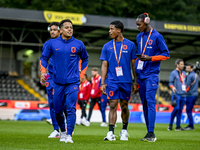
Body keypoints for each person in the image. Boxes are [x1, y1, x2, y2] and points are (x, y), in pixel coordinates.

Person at [40, 19, 89, 143]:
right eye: (67, 27)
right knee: (57, 109)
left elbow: (85, 59)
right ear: (60, 30)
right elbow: (44, 58)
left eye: (71, 27)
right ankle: (62, 132)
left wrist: (82, 74)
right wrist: (43, 72)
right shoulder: (52, 44)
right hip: (57, 82)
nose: (70, 29)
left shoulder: (79, 44)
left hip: (73, 82)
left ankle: (69, 136)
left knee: (71, 108)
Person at [100, 20, 138, 141]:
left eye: (112, 29)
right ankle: (110, 132)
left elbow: (134, 66)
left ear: (119, 30)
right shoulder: (107, 46)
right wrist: (102, 82)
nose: (109, 31)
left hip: (126, 81)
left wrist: (135, 81)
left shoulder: (130, 45)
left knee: (124, 106)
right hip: (112, 80)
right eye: (109, 29)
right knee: (112, 105)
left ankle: (124, 131)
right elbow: (104, 65)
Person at [135, 13, 170, 142]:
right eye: (137, 25)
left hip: (152, 75)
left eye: (139, 24)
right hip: (141, 75)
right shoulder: (139, 36)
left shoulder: (157, 36)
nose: (138, 27)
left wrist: (151, 58)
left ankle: (151, 133)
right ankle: (148, 132)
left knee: (150, 102)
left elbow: (166, 54)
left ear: (146, 22)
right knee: (144, 104)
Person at [41, 22, 61, 138]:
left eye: (54, 29)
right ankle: (56, 130)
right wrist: (43, 72)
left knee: (64, 104)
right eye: (51, 29)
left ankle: (67, 128)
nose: (52, 31)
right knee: (52, 104)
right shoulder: (48, 44)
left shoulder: (67, 43)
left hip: (65, 78)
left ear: (60, 31)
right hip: (51, 77)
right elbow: (43, 59)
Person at [168, 59, 186, 131]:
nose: (183, 66)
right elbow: (170, 83)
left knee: (180, 110)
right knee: (176, 108)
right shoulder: (173, 73)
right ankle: (170, 124)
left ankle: (178, 126)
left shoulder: (184, 73)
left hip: (183, 94)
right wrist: (173, 87)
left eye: (183, 64)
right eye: (181, 64)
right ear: (177, 65)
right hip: (176, 94)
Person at [183, 64, 199, 130]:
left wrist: (183, 93)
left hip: (190, 95)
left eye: (188, 68)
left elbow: (187, 86)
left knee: (188, 110)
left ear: (191, 68)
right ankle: (191, 125)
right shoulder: (196, 75)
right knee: (190, 110)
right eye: (186, 68)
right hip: (195, 94)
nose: (186, 70)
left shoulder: (190, 76)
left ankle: (191, 126)